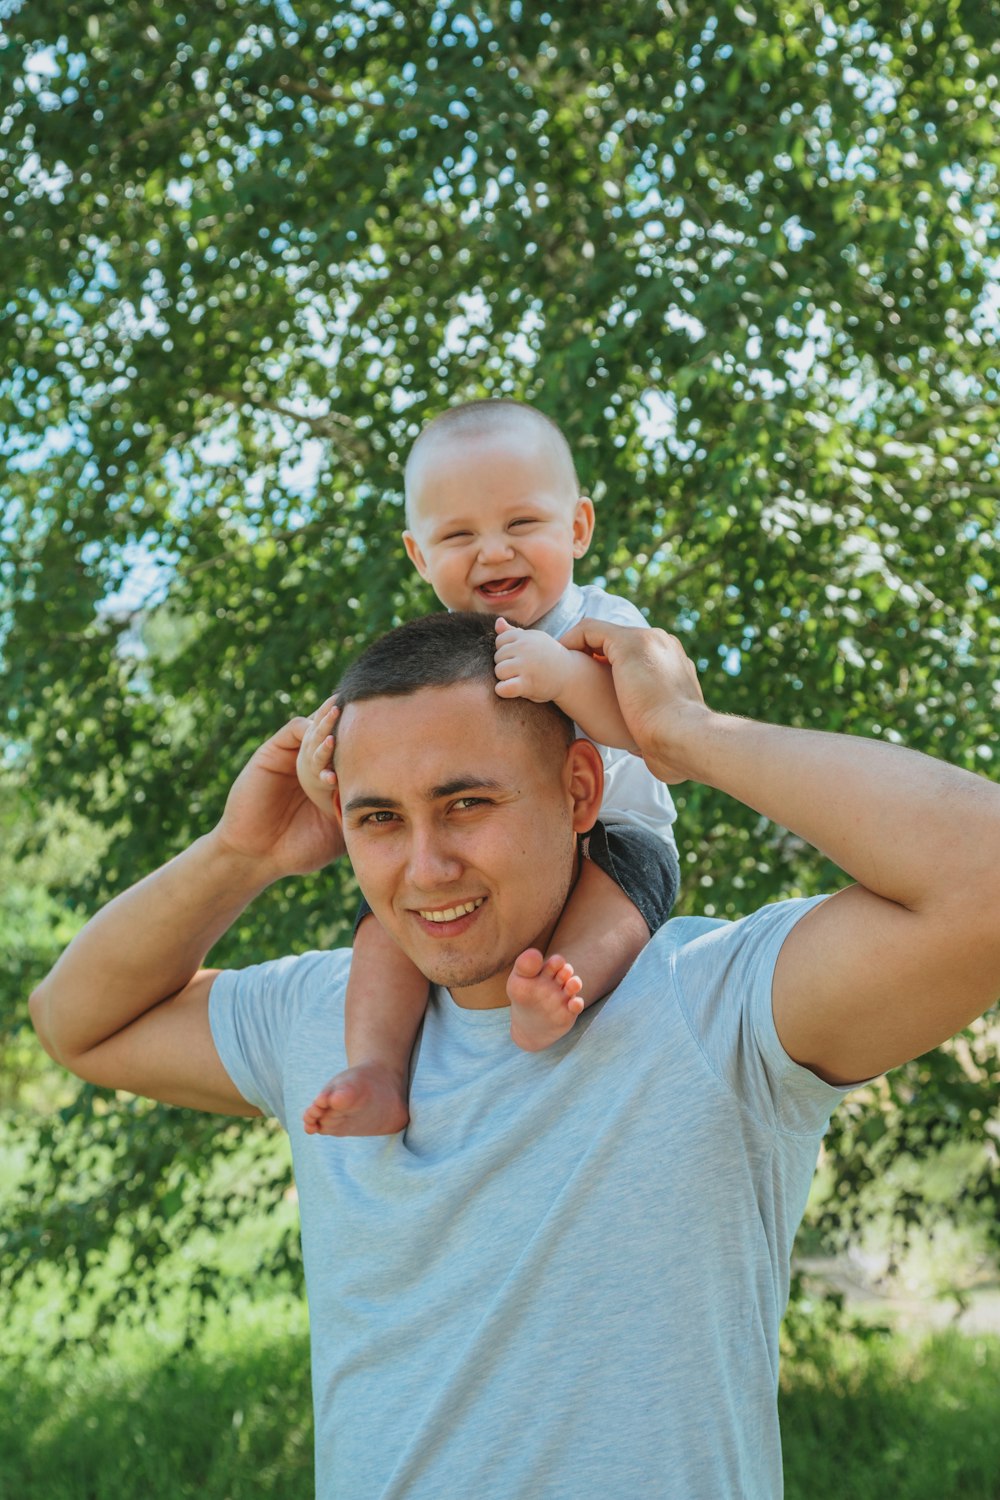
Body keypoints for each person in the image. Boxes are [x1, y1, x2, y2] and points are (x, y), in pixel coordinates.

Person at [29, 610, 1000, 1500]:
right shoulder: (324, 1017)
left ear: (582, 790)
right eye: (378, 819)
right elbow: (76, 1021)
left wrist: (684, 738)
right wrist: (239, 853)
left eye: (465, 804)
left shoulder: (715, 1001)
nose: (424, 868)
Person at [296, 398, 681, 1137]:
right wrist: (326, 778)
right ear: (418, 556)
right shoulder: (435, 653)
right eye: (459, 535)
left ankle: (562, 990)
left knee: (622, 891)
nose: (494, 552)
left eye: (522, 525)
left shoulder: (607, 623)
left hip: (616, 834)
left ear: (578, 527)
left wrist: (566, 679)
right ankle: (376, 1068)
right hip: (494, 855)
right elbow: (386, 774)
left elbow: (657, 737)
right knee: (380, 927)